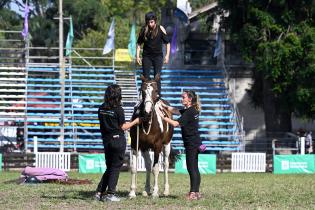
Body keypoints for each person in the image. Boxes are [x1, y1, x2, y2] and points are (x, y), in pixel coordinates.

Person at [95, 84, 140, 202]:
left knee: (109, 167)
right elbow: (123, 126)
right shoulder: (119, 109)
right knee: (115, 167)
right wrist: (136, 121)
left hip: (106, 140)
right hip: (117, 140)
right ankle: (110, 193)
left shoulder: (101, 108)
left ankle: (99, 192)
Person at [157, 90, 203, 200]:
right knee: (195, 168)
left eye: (183, 97)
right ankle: (196, 192)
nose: (182, 99)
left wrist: (163, 117)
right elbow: (176, 111)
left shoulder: (189, 112)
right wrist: (164, 105)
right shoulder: (192, 110)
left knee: (191, 168)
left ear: (190, 99)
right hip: (196, 142)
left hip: (192, 143)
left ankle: (193, 193)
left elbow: (176, 123)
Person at [136, 11, 170, 95]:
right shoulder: (144, 30)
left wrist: (167, 55)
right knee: (145, 77)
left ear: (155, 21)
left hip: (158, 56)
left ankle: (158, 96)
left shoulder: (160, 28)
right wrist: (137, 56)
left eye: (151, 22)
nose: (150, 24)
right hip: (147, 56)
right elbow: (139, 44)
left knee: (157, 77)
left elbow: (167, 43)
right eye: (148, 22)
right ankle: (143, 95)